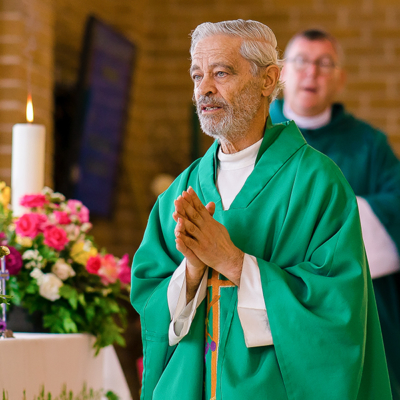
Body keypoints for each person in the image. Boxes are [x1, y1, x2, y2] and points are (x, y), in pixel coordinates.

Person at [131, 20, 392, 400]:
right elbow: (151, 303)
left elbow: (339, 311)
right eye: (197, 75)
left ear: (269, 80)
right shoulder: (181, 190)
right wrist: (191, 272)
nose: (204, 89)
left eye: (220, 73)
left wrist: (235, 263)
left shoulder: (317, 183)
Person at [270, 28, 400, 399]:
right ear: (280, 73)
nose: (312, 73)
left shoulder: (368, 143)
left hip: (354, 305)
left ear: (340, 78)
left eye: (324, 64)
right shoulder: (257, 137)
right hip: (279, 304)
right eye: (301, 62)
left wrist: (339, 218)